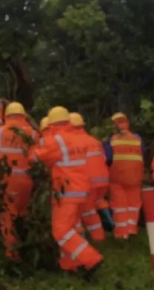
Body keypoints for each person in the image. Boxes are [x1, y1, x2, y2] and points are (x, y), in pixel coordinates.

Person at [30, 106, 104, 279]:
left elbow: (37, 158)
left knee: (61, 231)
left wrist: (32, 149)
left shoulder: (56, 140)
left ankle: (91, 259)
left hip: (66, 191)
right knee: (73, 228)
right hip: (81, 190)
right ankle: (72, 264)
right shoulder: (78, 139)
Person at [0, 98, 38, 261]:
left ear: (7, 116)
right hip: (26, 182)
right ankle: (28, 245)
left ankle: (12, 254)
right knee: (23, 213)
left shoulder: (0, 132)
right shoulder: (33, 133)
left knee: (8, 215)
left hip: (6, 181)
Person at [103, 112, 147, 239]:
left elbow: (108, 158)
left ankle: (121, 233)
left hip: (117, 177)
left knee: (119, 205)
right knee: (133, 204)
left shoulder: (111, 140)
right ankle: (132, 229)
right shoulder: (137, 139)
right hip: (135, 177)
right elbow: (143, 154)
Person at [69, 112, 110, 240]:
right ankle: (107, 221)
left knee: (87, 210)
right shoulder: (94, 141)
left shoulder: (73, 143)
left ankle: (97, 237)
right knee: (97, 203)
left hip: (88, 182)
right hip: (103, 180)